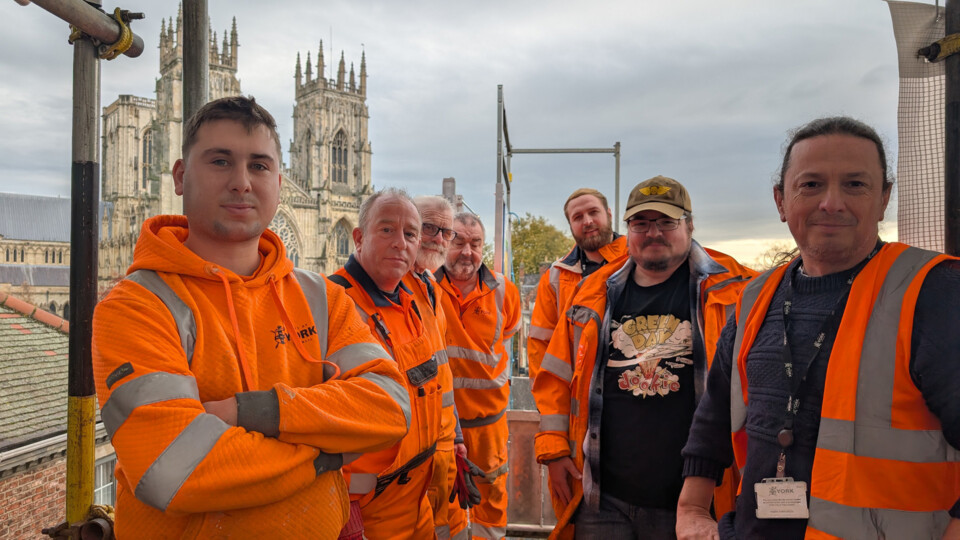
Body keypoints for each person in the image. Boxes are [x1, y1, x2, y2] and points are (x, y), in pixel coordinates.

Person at [91, 96, 410, 539]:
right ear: (180, 177)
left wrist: (252, 413)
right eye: (220, 161)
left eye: (259, 166)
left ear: (280, 181)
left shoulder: (322, 297)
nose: (242, 182)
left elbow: (391, 407)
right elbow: (174, 469)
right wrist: (326, 456)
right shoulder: (134, 306)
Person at [677, 117, 960, 540]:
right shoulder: (755, 297)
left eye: (855, 185)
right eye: (811, 185)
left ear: (884, 200)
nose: (832, 202)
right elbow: (716, 412)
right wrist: (692, 509)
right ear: (780, 201)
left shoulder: (934, 291)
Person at [533, 176, 756, 539]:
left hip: (697, 504)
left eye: (666, 221)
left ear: (690, 224)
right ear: (628, 229)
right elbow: (556, 375)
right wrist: (553, 449)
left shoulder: (738, 291)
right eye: (640, 223)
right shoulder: (592, 294)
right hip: (602, 502)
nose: (653, 232)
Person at [329, 188, 445, 538]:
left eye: (410, 233)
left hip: (418, 497)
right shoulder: (330, 303)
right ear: (359, 237)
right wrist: (344, 505)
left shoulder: (410, 304)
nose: (400, 242)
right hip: (365, 510)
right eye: (386, 230)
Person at [435, 212, 522, 540]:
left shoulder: (505, 292)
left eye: (475, 243)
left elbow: (507, 338)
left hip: (488, 423)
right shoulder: (425, 286)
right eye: (458, 241)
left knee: (491, 497)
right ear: (445, 241)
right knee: (443, 500)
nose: (467, 252)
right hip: (440, 424)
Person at [409, 194, 470, 540]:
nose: (437, 238)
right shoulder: (392, 285)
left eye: (446, 232)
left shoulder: (431, 286)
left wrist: (456, 435)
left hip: (443, 446)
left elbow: (441, 371)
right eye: (428, 227)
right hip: (406, 460)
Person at [527, 188, 627, 384]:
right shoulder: (555, 278)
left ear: (608, 214)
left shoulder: (637, 262)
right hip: (579, 399)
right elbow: (541, 346)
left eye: (593, 212)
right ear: (571, 226)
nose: (587, 221)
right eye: (578, 217)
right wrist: (549, 408)